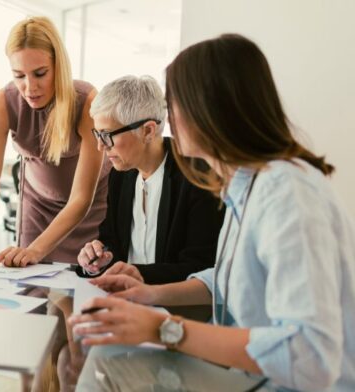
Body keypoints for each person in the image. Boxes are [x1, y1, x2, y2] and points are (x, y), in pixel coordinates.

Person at [69, 34, 355, 390]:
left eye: (173, 106)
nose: (168, 119)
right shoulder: (246, 186)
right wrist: (150, 293)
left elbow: (308, 356)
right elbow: (226, 280)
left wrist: (164, 329)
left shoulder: (287, 194)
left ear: (210, 109)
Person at [0, 16, 109, 267]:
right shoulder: (2, 104)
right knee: (30, 289)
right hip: (37, 208)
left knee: (82, 293)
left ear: (59, 66)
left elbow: (81, 198)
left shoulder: (86, 101)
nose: (29, 87)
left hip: (87, 209)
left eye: (40, 73)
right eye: (19, 75)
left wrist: (36, 250)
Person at [74, 75, 224, 284]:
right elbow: (112, 244)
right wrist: (98, 257)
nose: (101, 146)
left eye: (107, 135)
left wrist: (136, 275)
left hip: (176, 309)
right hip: (128, 302)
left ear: (148, 130)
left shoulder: (197, 177)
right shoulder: (120, 174)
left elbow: (201, 267)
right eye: (97, 135)